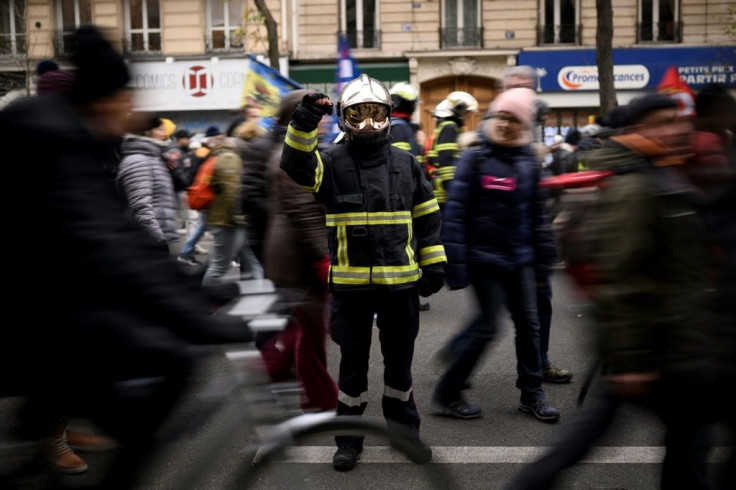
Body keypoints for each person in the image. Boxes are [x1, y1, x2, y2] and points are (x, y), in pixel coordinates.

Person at [0, 24, 253, 488]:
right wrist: (198, 319)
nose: (134, 111)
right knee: (170, 360)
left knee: (145, 354)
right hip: (32, 316)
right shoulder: (57, 139)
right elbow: (107, 241)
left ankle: (45, 440)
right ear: (105, 100)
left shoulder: (75, 136)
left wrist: (194, 289)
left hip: (50, 302)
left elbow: (120, 236)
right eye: (127, 99)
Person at [503, 92, 717, 490]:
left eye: (677, 120)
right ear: (637, 131)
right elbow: (622, 276)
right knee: (596, 436)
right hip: (650, 346)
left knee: (680, 442)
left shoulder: (663, 175)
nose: (676, 129)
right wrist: (633, 359)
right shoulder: (637, 188)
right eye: (663, 122)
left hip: (669, 343)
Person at [279, 74, 447, 471]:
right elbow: (295, 165)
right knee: (352, 369)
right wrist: (304, 120)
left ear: (388, 116)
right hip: (351, 290)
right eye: (359, 114)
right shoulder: (329, 162)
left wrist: (435, 261)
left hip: (400, 285)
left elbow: (428, 218)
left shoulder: (406, 162)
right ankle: (349, 441)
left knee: (399, 367)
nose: (368, 123)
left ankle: (405, 433)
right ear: (344, 117)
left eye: (376, 114)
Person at [432, 87, 560, 422]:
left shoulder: (528, 162)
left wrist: (544, 258)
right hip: (483, 259)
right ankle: (448, 392)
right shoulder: (475, 158)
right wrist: (454, 264)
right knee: (488, 326)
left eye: (513, 119)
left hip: (520, 260)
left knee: (529, 326)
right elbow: (456, 213)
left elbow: (537, 216)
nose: (505, 124)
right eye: (501, 116)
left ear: (524, 125)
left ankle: (532, 395)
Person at [258, 89, 339, 412]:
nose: (322, 124)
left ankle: (310, 391)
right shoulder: (290, 156)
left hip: (290, 253)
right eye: (317, 117)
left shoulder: (287, 151)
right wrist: (323, 257)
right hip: (298, 256)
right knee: (309, 332)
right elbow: (304, 212)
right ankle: (316, 396)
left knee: (305, 328)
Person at [502, 65, 573, 384]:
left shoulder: (534, 129)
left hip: (531, 240)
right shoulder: (496, 136)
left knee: (535, 311)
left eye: (529, 86)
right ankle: (455, 373)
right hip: (506, 244)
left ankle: (535, 372)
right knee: (490, 320)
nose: (524, 91)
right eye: (517, 86)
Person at [390, 81, 432, 312]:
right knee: (407, 247)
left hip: (404, 198)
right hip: (405, 200)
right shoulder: (400, 127)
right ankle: (407, 297)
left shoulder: (399, 125)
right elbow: (406, 168)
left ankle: (410, 295)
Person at [116, 116, 181, 254]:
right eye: (160, 129)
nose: (164, 134)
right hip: (146, 241)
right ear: (146, 132)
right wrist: (158, 240)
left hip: (153, 238)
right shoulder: (138, 160)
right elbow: (140, 207)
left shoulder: (153, 159)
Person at [425, 91, 479, 215]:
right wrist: (452, 190)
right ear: (459, 111)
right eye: (466, 113)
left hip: (442, 192)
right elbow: (447, 162)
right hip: (444, 194)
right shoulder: (449, 127)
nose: (468, 117)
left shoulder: (446, 127)